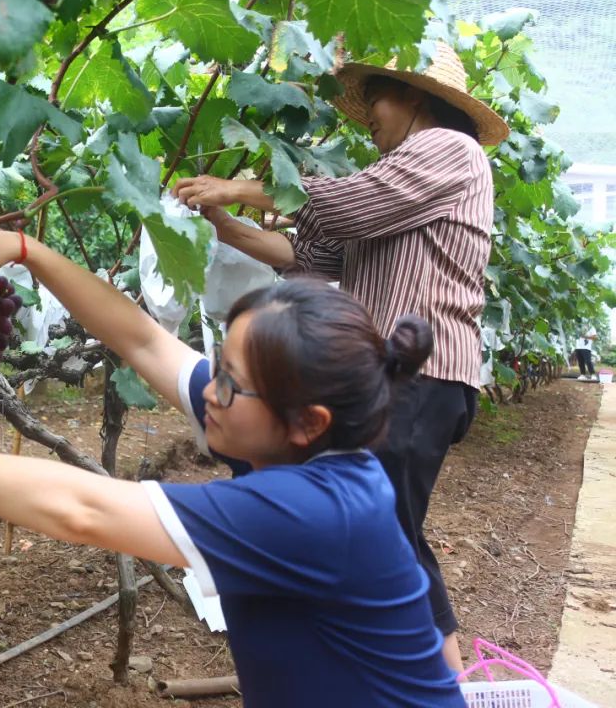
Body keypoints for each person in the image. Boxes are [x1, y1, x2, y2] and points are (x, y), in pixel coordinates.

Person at [0, 229, 468, 707]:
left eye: (230, 383)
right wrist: (25, 249)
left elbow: (82, 510)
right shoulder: (288, 440)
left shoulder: (314, 512)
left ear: (310, 420)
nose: (209, 391)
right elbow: (142, 340)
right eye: (217, 367)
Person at [170, 41, 509, 671]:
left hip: (423, 373)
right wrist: (222, 222)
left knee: (392, 532)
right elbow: (312, 260)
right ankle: (426, 674)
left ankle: (441, 682)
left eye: (375, 99)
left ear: (413, 94)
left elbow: (345, 207)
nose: (369, 116)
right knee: (386, 526)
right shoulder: (396, 186)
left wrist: (240, 184)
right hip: (394, 378)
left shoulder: (449, 149)